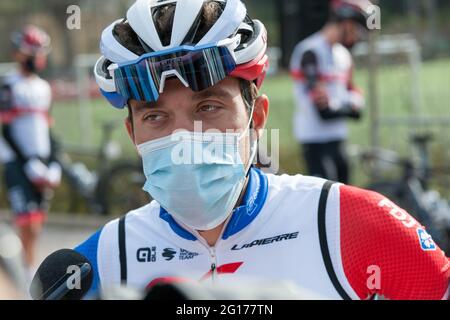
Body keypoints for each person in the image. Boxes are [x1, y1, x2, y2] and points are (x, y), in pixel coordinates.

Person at [75, 0, 449, 300]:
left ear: (257, 118)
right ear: (133, 134)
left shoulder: (347, 220)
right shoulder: (101, 260)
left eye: (208, 107)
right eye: (155, 116)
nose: (184, 137)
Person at [0, 25, 61, 272]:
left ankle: (27, 265)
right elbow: (6, 130)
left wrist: (54, 162)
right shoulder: (7, 85)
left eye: (39, 52)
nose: (35, 58)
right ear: (18, 54)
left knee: (37, 222)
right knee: (27, 221)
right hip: (16, 161)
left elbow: (48, 129)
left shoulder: (44, 88)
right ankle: (24, 271)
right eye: (30, 52)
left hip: (42, 161)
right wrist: (27, 163)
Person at [290, 0, 369, 184]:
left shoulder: (344, 55)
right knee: (326, 198)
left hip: (338, 136)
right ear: (346, 23)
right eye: (357, 30)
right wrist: (348, 106)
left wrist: (343, 105)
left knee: (345, 196)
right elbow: (324, 112)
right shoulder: (310, 51)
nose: (358, 37)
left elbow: (357, 103)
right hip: (315, 139)